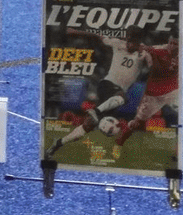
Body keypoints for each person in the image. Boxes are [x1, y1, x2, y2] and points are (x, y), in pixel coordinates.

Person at [47, 26, 151, 158]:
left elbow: (152, 64)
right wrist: (75, 31)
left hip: (112, 98)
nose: (128, 44)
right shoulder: (117, 43)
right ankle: (96, 111)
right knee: (122, 98)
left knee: (89, 125)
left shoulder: (145, 52)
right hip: (107, 85)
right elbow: (97, 35)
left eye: (132, 42)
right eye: (127, 40)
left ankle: (58, 143)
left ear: (138, 41)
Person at [112, 34, 181, 159]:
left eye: (175, 44)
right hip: (153, 94)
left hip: (173, 92)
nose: (172, 46)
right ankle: (119, 143)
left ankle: (178, 153)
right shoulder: (157, 50)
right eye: (170, 43)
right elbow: (140, 48)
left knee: (182, 119)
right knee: (136, 123)